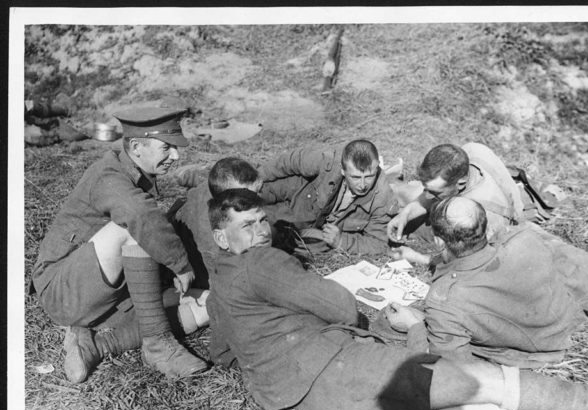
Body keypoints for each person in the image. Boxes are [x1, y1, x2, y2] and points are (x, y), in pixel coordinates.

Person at [205, 188, 588, 410]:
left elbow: (223, 350)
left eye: (262, 221)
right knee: (485, 382)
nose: (261, 232)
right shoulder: (260, 261)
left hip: (324, 407)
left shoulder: (220, 280)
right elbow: (340, 307)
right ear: (222, 238)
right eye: (247, 225)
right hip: (338, 371)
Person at [31, 106, 209, 383]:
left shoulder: (132, 171)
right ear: (136, 147)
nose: (175, 156)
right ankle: (158, 345)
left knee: (207, 302)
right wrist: (180, 265)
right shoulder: (109, 176)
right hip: (61, 290)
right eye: (167, 148)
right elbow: (140, 217)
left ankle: (96, 342)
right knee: (131, 229)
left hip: (104, 289)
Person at [383, 196, 588, 368]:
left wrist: (413, 326)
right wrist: (420, 258)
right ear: (483, 227)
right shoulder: (521, 236)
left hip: (545, 345)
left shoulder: (445, 301)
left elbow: (450, 372)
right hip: (566, 308)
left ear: (439, 241)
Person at [167, 158, 263, 365]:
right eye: (248, 197)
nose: (257, 199)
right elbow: (224, 281)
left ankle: (195, 175)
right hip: (191, 268)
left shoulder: (221, 194)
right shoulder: (212, 237)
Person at [258, 139, 397, 255]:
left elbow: (379, 243)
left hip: (307, 226)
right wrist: (257, 177)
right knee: (249, 202)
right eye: (355, 177)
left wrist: (341, 241)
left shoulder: (382, 198)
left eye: (369, 176)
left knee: (269, 233)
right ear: (342, 170)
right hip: (293, 192)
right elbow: (290, 161)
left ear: (378, 167)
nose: (362, 185)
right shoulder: (328, 161)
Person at [387, 142, 525, 254]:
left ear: (461, 182)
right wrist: (405, 214)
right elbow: (428, 195)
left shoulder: (479, 215)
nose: (427, 196)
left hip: (492, 219)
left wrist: (417, 257)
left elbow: (469, 262)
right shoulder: (472, 150)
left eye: (434, 192)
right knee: (405, 196)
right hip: (458, 193)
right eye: (427, 190)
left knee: (426, 230)